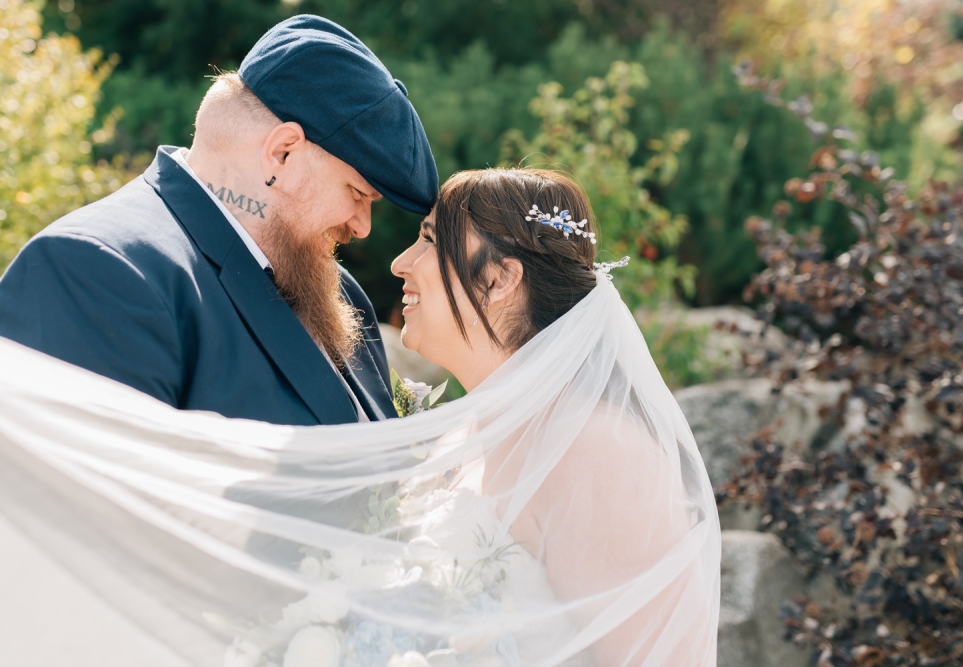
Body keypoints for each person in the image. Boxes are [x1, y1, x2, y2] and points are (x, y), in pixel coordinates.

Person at [0, 168, 720, 666]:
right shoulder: (462, 437)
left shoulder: (596, 449)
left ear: (499, 280)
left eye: (432, 239)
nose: (401, 261)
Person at [0, 15, 438, 426]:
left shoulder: (341, 295)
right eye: (358, 194)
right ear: (282, 152)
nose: (362, 226)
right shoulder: (95, 272)